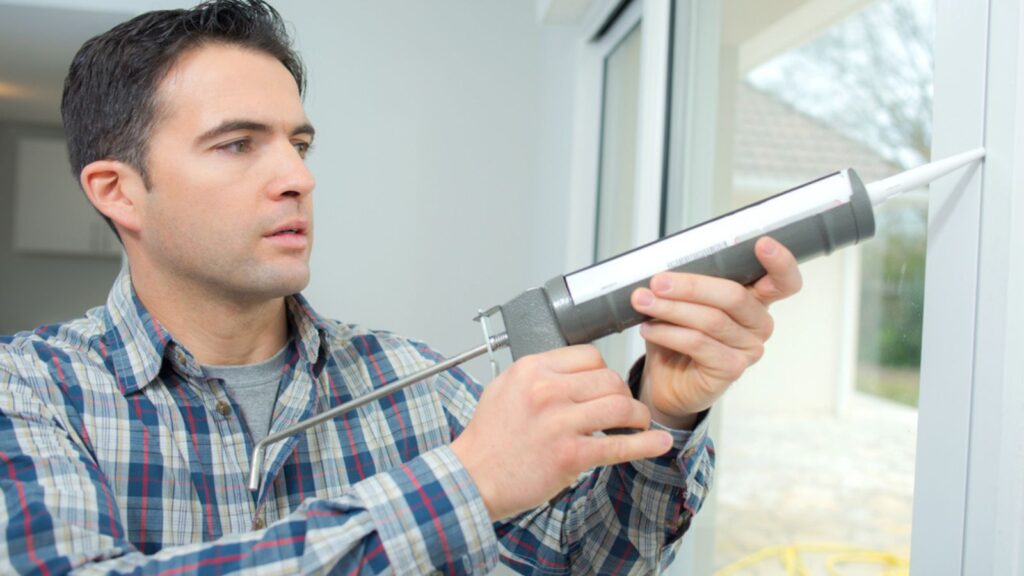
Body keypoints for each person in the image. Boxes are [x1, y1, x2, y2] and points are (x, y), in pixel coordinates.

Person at [0, 1, 802, 573]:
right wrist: (464, 484)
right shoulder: (28, 391)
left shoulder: (413, 381)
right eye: (238, 144)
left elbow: (573, 561)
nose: (298, 178)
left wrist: (665, 409)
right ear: (118, 192)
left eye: (298, 144)